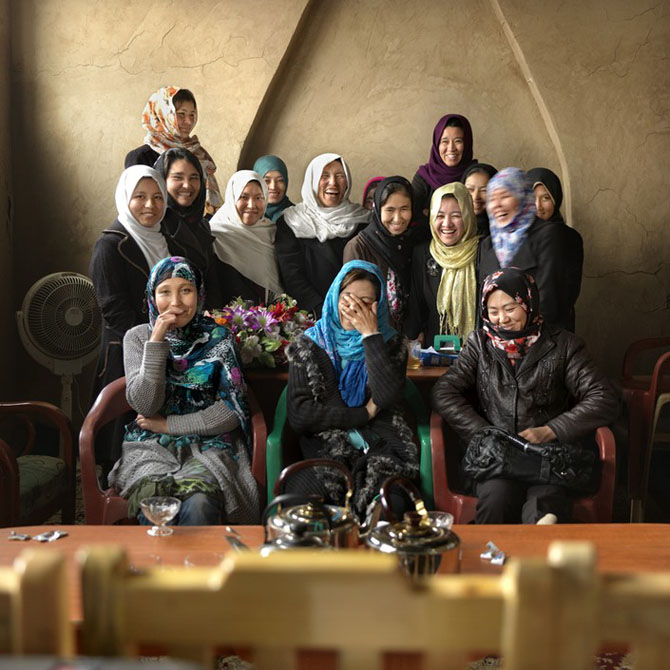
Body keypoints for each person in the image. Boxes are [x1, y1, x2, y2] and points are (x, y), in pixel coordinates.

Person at [432, 267, 619, 524]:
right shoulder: (479, 345)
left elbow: (604, 397)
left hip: (547, 456)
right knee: (495, 500)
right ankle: (490, 552)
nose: (501, 319)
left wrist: (550, 431)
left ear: (528, 303)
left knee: (543, 507)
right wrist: (486, 434)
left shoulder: (564, 345)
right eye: (493, 311)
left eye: (510, 309)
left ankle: (540, 550)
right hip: (496, 458)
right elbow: (444, 392)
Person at [108, 256, 261, 525]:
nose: (176, 302)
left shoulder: (220, 338)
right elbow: (145, 405)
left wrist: (169, 425)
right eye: (165, 292)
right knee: (157, 502)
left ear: (199, 295)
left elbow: (231, 411)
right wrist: (156, 340)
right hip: (150, 446)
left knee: (199, 504)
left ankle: (193, 555)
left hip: (211, 445)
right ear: (151, 296)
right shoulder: (137, 338)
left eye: (186, 290)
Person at [284, 260, 419, 519]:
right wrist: (363, 414)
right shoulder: (308, 344)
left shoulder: (391, 343)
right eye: (347, 299)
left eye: (365, 302)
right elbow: (301, 415)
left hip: (381, 446)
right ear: (334, 296)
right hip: (325, 449)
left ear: (378, 306)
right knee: (304, 506)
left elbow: (385, 397)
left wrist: (371, 335)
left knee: (392, 504)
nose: (354, 309)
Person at [90, 165, 202, 477]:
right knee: (123, 436)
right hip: (128, 352)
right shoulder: (110, 245)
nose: (150, 205)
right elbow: (114, 309)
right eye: (140, 196)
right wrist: (157, 338)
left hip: (171, 349)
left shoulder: (169, 242)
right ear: (125, 198)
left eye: (157, 197)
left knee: (161, 435)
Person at [477, 167, 577, 331]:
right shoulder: (487, 245)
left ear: (522, 196)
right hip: (496, 341)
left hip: (541, 337)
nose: (498, 205)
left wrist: (517, 338)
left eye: (505, 196)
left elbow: (551, 302)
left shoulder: (549, 235)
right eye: (492, 199)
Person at [275, 153, 370, 317]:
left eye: (340, 176)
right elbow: (292, 276)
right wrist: (322, 312)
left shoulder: (362, 221)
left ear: (347, 182)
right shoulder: (292, 221)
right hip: (310, 316)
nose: (333, 182)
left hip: (354, 314)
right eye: (324, 176)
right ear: (312, 180)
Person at [125, 86, 222, 216]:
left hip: (197, 225)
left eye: (192, 115)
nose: (189, 121)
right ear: (163, 114)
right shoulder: (141, 157)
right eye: (181, 114)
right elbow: (139, 207)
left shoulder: (198, 154)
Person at [405, 182, 479, 349]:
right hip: (434, 352)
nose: (447, 223)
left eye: (456, 215)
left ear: (468, 215)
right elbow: (416, 307)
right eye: (440, 215)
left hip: (475, 352)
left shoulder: (482, 252)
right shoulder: (423, 253)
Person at [153, 147, 222, 309]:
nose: (187, 185)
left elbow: (211, 280)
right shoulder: (156, 226)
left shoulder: (201, 225)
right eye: (178, 177)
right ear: (162, 181)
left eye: (194, 177)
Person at [344, 176, 414, 330]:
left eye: (404, 209)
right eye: (390, 210)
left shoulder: (412, 243)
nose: (398, 218)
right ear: (377, 210)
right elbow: (353, 306)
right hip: (372, 334)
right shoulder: (358, 247)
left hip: (408, 335)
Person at [209, 170, 283, 305]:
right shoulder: (215, 234)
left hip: (272, 313)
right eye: (244, 197)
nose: (251, 205)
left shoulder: (271, 232)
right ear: (233, 198)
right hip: (227, 315)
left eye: (258, 198)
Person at [527, 167, 583, 331]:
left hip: (555, 327)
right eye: (532, 198)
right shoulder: (516, 237)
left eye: (546, 198)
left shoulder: (569, 238)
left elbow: (568, 291)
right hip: (519, 328)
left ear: (556, 199)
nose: (538, 206)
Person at [412, 114, 476, 228]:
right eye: (444, 141)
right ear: (437, 144)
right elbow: (412, 215)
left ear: (467, 144)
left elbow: (480, 216)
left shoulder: (475, 176)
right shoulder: (424, 176)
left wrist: (430, 214)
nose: (451, 148)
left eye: (458, 141)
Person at [252, 155, 294, 223]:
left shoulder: (297, 217)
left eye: (280, 180)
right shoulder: (247, 214)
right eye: (266, 181)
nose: (273, 187)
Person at [462, 163, 498, 237]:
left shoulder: (502, 228)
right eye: (470, 189)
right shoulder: (452, 226)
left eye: (484, 190)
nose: (475, 197)